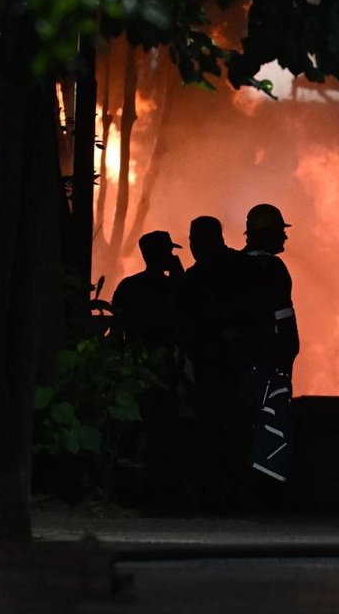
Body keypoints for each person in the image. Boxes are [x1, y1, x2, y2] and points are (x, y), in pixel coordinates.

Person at [178, 215, 250, 511]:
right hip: (212, 365)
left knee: (225, 427)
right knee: (218, 428)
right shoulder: (230, 268)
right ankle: (222, 492)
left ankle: (228, 491)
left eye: (198, 240)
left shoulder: (232, 270)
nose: (193, 246)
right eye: (192, 240)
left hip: (229, 365)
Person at [110, 230, 187, 508]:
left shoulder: (129, 287)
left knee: (138, 428)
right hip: (164, 367)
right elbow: (187, 317)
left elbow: (117, 330)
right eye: (168, 252)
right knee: (162, 430)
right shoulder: (171, 288)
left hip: (138, 365)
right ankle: (159, 492)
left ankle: (135, 491)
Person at [237, 203, 299, 504]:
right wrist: (288, 352)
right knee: (272, 426)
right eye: (279, 232)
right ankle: (265, 493)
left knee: (244, 426)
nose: (284, 238)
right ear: (265, 234)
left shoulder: (233, 266)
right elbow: (283, 318)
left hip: (240, 363)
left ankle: (242, 490)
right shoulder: (273, 269)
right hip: (269, 362)